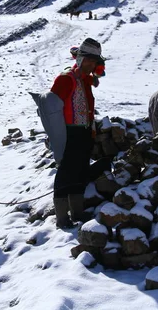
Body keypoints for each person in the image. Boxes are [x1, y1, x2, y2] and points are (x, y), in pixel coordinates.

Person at [50, 38, 105, 228]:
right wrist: (56, 136)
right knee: (65, 173)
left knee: (80, 172)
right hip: (68, 134)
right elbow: (52, 109)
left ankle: (77, 212)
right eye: (87, 60)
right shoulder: (66, 79)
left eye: (94, 61)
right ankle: (62, 218)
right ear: (80, 58)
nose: (91, 64)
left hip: (84, 133)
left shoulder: (85, 80)